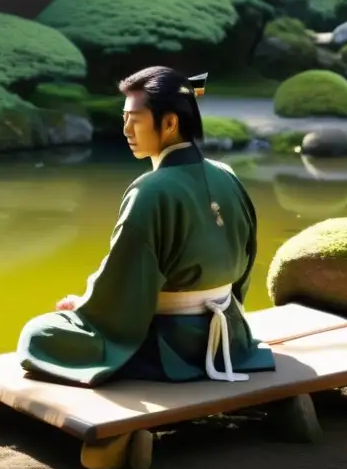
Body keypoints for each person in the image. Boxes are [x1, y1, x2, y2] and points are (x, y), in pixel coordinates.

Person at [16, 66, 276, 387]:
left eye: (134, 119)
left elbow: (125, 283)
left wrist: (84, 308)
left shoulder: (149, 190)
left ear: (169, 123)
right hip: (228, 336)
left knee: (39, 334)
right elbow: (246, 267)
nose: (126, 129)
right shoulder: (228, 175)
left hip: (172, 345)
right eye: (124, 118)